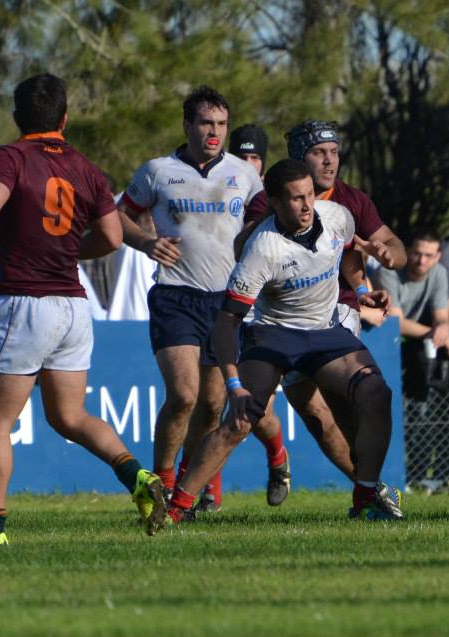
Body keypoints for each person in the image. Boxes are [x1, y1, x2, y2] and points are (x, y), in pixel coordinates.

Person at [0, 73, 166, 545]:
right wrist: (68, 253)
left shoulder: (8, 157)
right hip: (73, 305)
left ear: (16, 117)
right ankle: (137, 477)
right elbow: (112, 238)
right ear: (64, 118)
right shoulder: (86, 168)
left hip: (25, 303)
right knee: (68, 416)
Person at [162, 159, 402, 524]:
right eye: (295, 199)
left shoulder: (336, 215)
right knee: (239, 422)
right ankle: (177, 508)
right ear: (274, 203)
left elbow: (347, 250)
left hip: (324, 331)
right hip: (273, 335)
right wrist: (234, 385)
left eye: (309, 195)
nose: (307, 205)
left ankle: (366, 498)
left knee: (377, 394)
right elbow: (226, 322)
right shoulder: (262, 248)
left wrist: (363, 290)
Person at [117, 86, 278, 514]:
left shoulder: (244, 174)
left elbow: (266, 218)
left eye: (221, 124)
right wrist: (147, 243)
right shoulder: (158, 171)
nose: (214, 132)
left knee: (211, 405)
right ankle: (159, 486)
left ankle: (186, 491)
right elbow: (118, 216)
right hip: (175, 296)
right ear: (187, 125)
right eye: (206, 123)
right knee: (184, 395)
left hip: (226, 302)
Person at [239, 120, 407, 499]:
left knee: (342, 397)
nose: (330, 161)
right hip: (281, 319)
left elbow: (391, 246)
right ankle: (370, 489)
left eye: (334, 152)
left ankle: (367, 491)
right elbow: (244, 249)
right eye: (319, 153)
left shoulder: (353, 200)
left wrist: (386, 256)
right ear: (300, 158)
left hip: (338, 309)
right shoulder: (273, 199)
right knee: (314, 416)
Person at [373, 231, 449, 490]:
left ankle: (437, 475)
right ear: (409, 252)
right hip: (386, 347)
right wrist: (436, 332)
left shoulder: (440, 273)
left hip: (420, 350)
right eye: (417, 254)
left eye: (428, 256)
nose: (422, 261)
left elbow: (441, 315)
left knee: (432, 410)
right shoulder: (389, 271)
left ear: (437, 257)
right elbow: (395, 322)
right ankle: (400, 475)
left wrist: (443, 327)